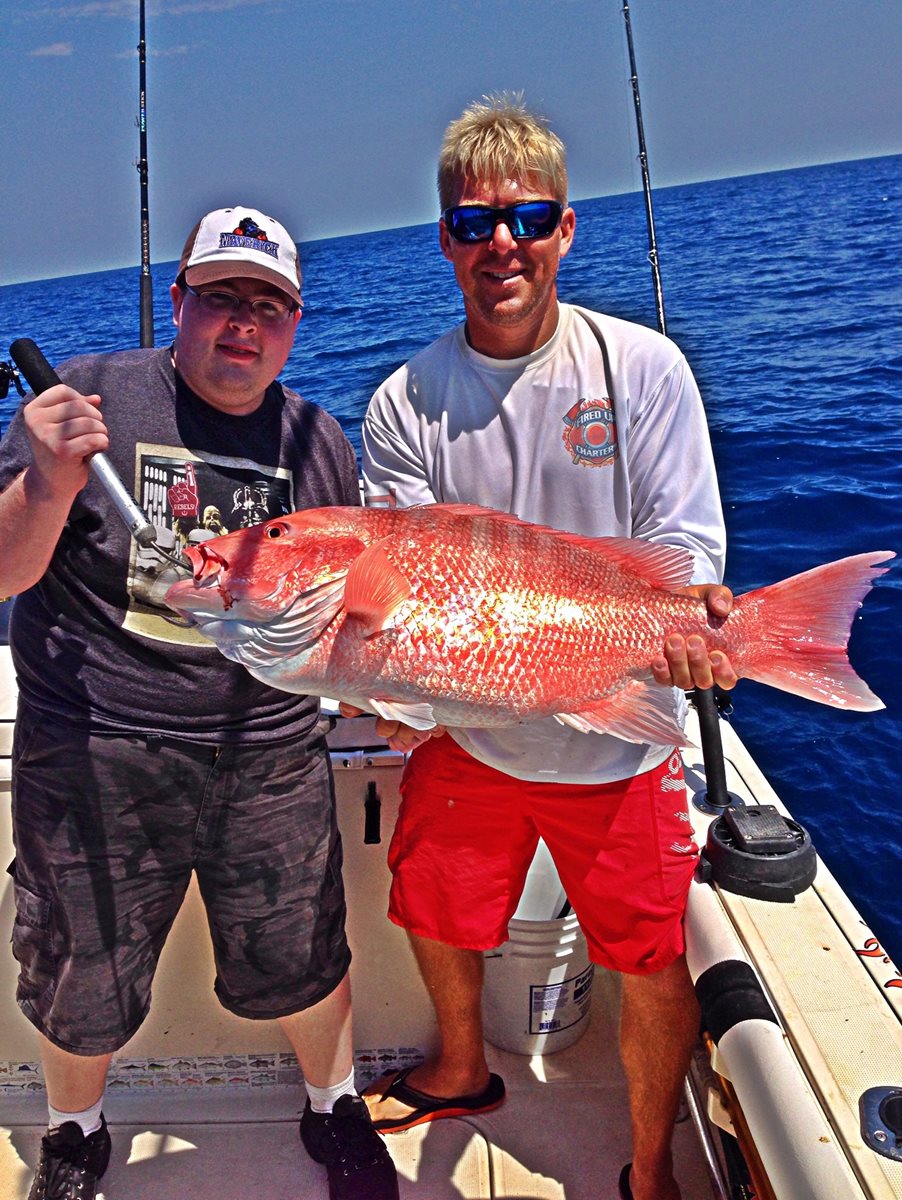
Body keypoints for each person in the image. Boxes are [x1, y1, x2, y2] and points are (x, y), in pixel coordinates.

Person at [356, 97, 737, 1200]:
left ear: (566, 228)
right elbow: (406, 590)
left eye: (526, 218)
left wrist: (685, 638)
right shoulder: (404, 402)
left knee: (647, 958)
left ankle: (651, 1167)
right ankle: (463, 1066)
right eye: (473, 225)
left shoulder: (644, 368)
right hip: (473, 738)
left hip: (615, 739)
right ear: (444, 242)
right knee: (428, 902)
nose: (501, 245)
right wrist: (400, 688)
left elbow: (681, 548)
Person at [0, 205, 398, 1200]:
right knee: (77, 976)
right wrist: (47, 481)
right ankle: (75, 1133)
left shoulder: (316, 441)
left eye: (269, 305)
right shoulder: (86, 397)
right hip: (94, 752)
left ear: (294, 325)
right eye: (221, 297)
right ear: (177, 303)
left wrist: (395, 687)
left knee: (305, 957)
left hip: (264, 755)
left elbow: (345, 615)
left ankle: (333, 1103)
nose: (243, 323)